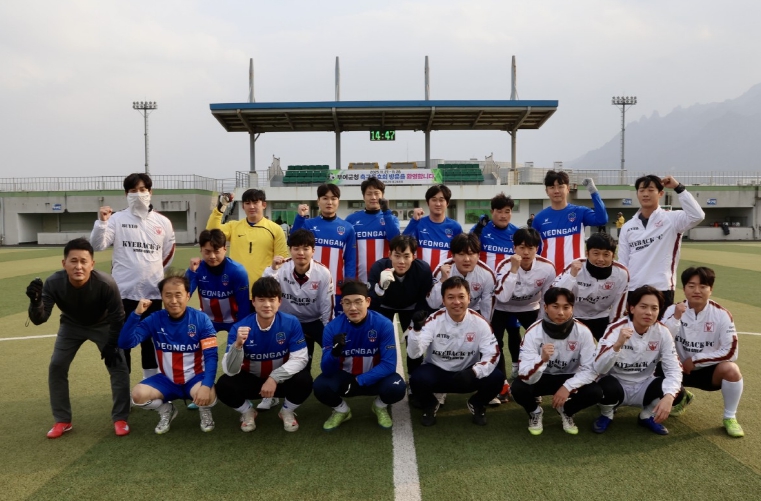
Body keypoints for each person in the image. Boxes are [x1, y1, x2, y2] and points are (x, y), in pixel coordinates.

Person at [27, 238, 130, 439]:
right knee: (57, 365)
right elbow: (39, 319)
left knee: (118, 365)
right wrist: (35, 301)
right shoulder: (54, 283)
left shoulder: (106, 283)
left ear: (92, 264)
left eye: (84, 261)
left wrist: (112, 344)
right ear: (64, 263)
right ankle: (62, 420)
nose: (79, 266)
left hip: (103, 324)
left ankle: (121, 418)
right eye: (73, 261)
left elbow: (118, 316)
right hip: (71, 325)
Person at [90, 172, 176, 377]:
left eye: (142, 190)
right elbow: (97, 245)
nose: (138, 194)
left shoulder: (163, 222)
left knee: (150, 342)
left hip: (152, 293)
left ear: (150, 192)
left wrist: (152, 271)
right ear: (126, 194)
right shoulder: (116, 219)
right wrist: (101, 223)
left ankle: (150, 387)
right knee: (122, 342)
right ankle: (123, 391)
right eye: (133, 191)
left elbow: (168, 253)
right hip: (122, 293)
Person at [118, 272, 218, 434]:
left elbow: (211, 356)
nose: (173, 301)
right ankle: (167, 410)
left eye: (178, 295)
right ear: (162, 297)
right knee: (137, 396)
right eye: (168, 295)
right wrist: (136, 314)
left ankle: (204, 409)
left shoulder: (201, 319)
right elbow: (125, 343)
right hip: (167, 380)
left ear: (187, 295)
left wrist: (206, 385)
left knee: (210, 395)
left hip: (195, 378)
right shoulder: (155, 319)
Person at [215, 277, 313, 433]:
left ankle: (286, 411)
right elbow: (230, 371)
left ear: (279, 301)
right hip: (253, 381)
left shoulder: (291, 322)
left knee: (305, 380)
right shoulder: (239, 328)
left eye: (271, 299)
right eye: (261, 300)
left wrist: (274, 378)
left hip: (280, 381)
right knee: (223, 385)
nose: (267, 304)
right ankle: (248, 411)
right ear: (253, 302)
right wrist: (237, 346)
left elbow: (300, 359)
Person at [407, 276, 503, 426]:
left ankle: (477, 404)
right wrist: (416, 331)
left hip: (467, 374)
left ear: (469, 298)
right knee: (417, 379)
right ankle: (430, 404)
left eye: (461, 297)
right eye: (451, 297)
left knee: (497, 378)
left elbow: (493, 354)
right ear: (443, 300)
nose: (456, 302)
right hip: (438, 372)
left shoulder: (480, 323)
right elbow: (414, 354)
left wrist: (474, 372)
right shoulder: (433, 320)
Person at [662, 267, 744, 437]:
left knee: (731, 370)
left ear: (711, 289)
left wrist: (696, 360)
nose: (697, 291)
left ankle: (730, 417)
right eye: (691, 286)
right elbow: (661, 339)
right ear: (684, 288)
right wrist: (676, 318)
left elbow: (731, 351)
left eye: (703, 286)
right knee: (652, 371)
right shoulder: (673, 310)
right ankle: (681, 396)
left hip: (707, 372)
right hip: (676, 370)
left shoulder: (722, 315)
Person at [314, 280, 406, 431]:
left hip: (373, 376)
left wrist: (359, 381)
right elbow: (326, 370)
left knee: (397, 387)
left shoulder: (383, 324)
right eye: (347, 303)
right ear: (342, 304)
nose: (353, 308)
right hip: (345, 376)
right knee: (320, 386)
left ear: (368, 302)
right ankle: (342, 410)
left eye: (358, 302)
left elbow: (389, 364)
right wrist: (334, 353)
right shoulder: (332, 328)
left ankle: (379, 406)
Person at [592, 286, 685, 435]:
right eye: (643, 307)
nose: (649, 312)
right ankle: (607, 414)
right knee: (602, 388)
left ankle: (647, 416)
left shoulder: (662, 332)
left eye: (654, 308)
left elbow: (674, 367)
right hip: (617, 385)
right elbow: (599, 367)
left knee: (677, 391)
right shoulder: (616, 329)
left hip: (644, 385)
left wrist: (669, 396)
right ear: (632, 308)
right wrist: (617, 345)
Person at [511, 287, 602, 435]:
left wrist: (567, 387)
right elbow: (525, 374)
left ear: (572, 308)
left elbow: (591, 369)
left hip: (569, 377)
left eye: (566, 307)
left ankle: (566, 410)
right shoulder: (533, 332)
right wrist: (542, 360)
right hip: (541, 377)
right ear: (545, 307)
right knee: (518, 388)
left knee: (595, 392)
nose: (561, 312)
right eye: (555, 306)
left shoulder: (583, 331)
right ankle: (535, 412)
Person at [618, 175, 705, 308]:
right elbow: (623, 263)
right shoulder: (628, 226)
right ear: (637, 194)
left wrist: (678, 188)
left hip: (662, 288)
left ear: (660, 193)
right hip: (633, 289)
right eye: (642, 190)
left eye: (650, 190)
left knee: (662, 323)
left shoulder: (672, 219)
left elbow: (697, 216)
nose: (645, 194)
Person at [263, 229, 334, 371]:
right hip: (289, 321)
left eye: (306, 249)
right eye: (296, 248)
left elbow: (327, 306)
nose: (301, 253)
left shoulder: (323, 273)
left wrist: (329, 331)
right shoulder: (281, 268)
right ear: (290, 250)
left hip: (315, 320)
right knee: (300, 367)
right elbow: (265, 290)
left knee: (334, 349)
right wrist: (272, 270)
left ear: (313, 251)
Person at [493, 228, 556, 380]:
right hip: (503, 307)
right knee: (495, 342)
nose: (526, 252)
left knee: (539, 338)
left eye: (531, 248)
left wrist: (540, 322)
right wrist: (514, 270)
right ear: (514, 248)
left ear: (537, 248)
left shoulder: (547, 267)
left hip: (530, 307)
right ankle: (500, 380)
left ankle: (535, 374)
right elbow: (503, 297)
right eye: (521, 247)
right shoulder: (504, 266)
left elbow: (546, 299)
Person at [551, 233, 629, 340]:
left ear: (613, 256)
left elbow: (618, 306)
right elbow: (555, 294)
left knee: (611, 344)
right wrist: (572, 276)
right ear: (587, 253)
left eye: (606, 255)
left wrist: (613, 329)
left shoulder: (622, 273)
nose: (601, 259)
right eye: (596, 253)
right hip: (575, 316)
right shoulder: (575, 267)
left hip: (602, 316)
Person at [292, 183, 357, 309]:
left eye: (333, 198)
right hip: (309, 286)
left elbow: (350, 260)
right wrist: (299, 218)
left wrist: (349, 285)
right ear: (318, 201)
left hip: (336, 288)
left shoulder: (348, 228)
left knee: (334, 320)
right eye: (325, 198)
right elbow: (293, 242)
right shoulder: (308, 224)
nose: (329, 202)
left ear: (338, 201)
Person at [206, 188, 289, 284]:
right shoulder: (233, 226)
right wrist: (221, 207)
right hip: (236, 286)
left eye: (255, 202)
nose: (251, 206)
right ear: (243, 206)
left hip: (263, 287)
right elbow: (211, 232)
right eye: (247, 203)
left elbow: (282, 261)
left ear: (264, 205)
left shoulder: (276, 229)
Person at [532, 171, 608, 275]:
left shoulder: (580, 212)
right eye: (552, 187)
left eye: (560, 186)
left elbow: (602, 219)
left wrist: (593, 192)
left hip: (576, 276)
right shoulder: (539, 218)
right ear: (546, 191)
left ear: (568, 188)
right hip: (548, 276)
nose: (556, 191)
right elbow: (535, 250)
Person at [186, 229, 251, 333]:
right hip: (207, 320)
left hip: (234, 320)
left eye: (216, 251)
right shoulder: (196, 269)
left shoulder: (237, 271)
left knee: (237, 344)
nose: (212, 256)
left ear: (225, 249)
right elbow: (185, 295)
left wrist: (241, 328)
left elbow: (243, 304)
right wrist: (191, 272)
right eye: (207, 251)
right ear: (201, 249)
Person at [368, 234, 434, 331]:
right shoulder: (378, 268)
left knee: (417, 335)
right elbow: (370, 304)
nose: (401, 261)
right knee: (377, 333)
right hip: (384, 305)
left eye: (406, 256)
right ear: (390, 255)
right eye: (397, 256)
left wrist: (415, 324)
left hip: (412, 306)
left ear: (414, 256)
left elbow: (424, 301)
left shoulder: (423, 270)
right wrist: (380, 288)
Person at [427, 233, 496, 320]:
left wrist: (485, 324)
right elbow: (433, 304)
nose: (466, 259)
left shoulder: (487, 274)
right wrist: (442, 280)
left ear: (478, 255)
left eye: (471, 254)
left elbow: (487, 305)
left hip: (472, 311)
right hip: (445, 312)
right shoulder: (442, 270)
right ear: (453, 256)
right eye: (461, 254)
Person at [347, 178, 401, 283]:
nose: (373, 197)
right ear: (363, 197)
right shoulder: (351, 219)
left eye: (377, 193)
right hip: (359, 280)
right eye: (369, 194)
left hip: (385, 279)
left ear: (383, 195)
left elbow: (395, 240)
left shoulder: (391, 218)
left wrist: (386, 213)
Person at [403, 184, 463, 271]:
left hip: (446, 276)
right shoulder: (418, 223)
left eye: (441, 200)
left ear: (447, 203)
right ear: (427, 202)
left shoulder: (455, 227)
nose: (438, 204)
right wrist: (413, 222)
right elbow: (402, 244)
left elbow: (461, 253)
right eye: (434, 200)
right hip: (421, 275)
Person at [469, 193, 520, 272]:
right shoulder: (480, 228)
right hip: (483, 277)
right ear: (492, 212)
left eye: (507, 212)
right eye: (499, 212)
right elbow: (468, 250)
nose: (503, 216)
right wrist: (477, 231)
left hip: (508, 278)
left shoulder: (517, 232)